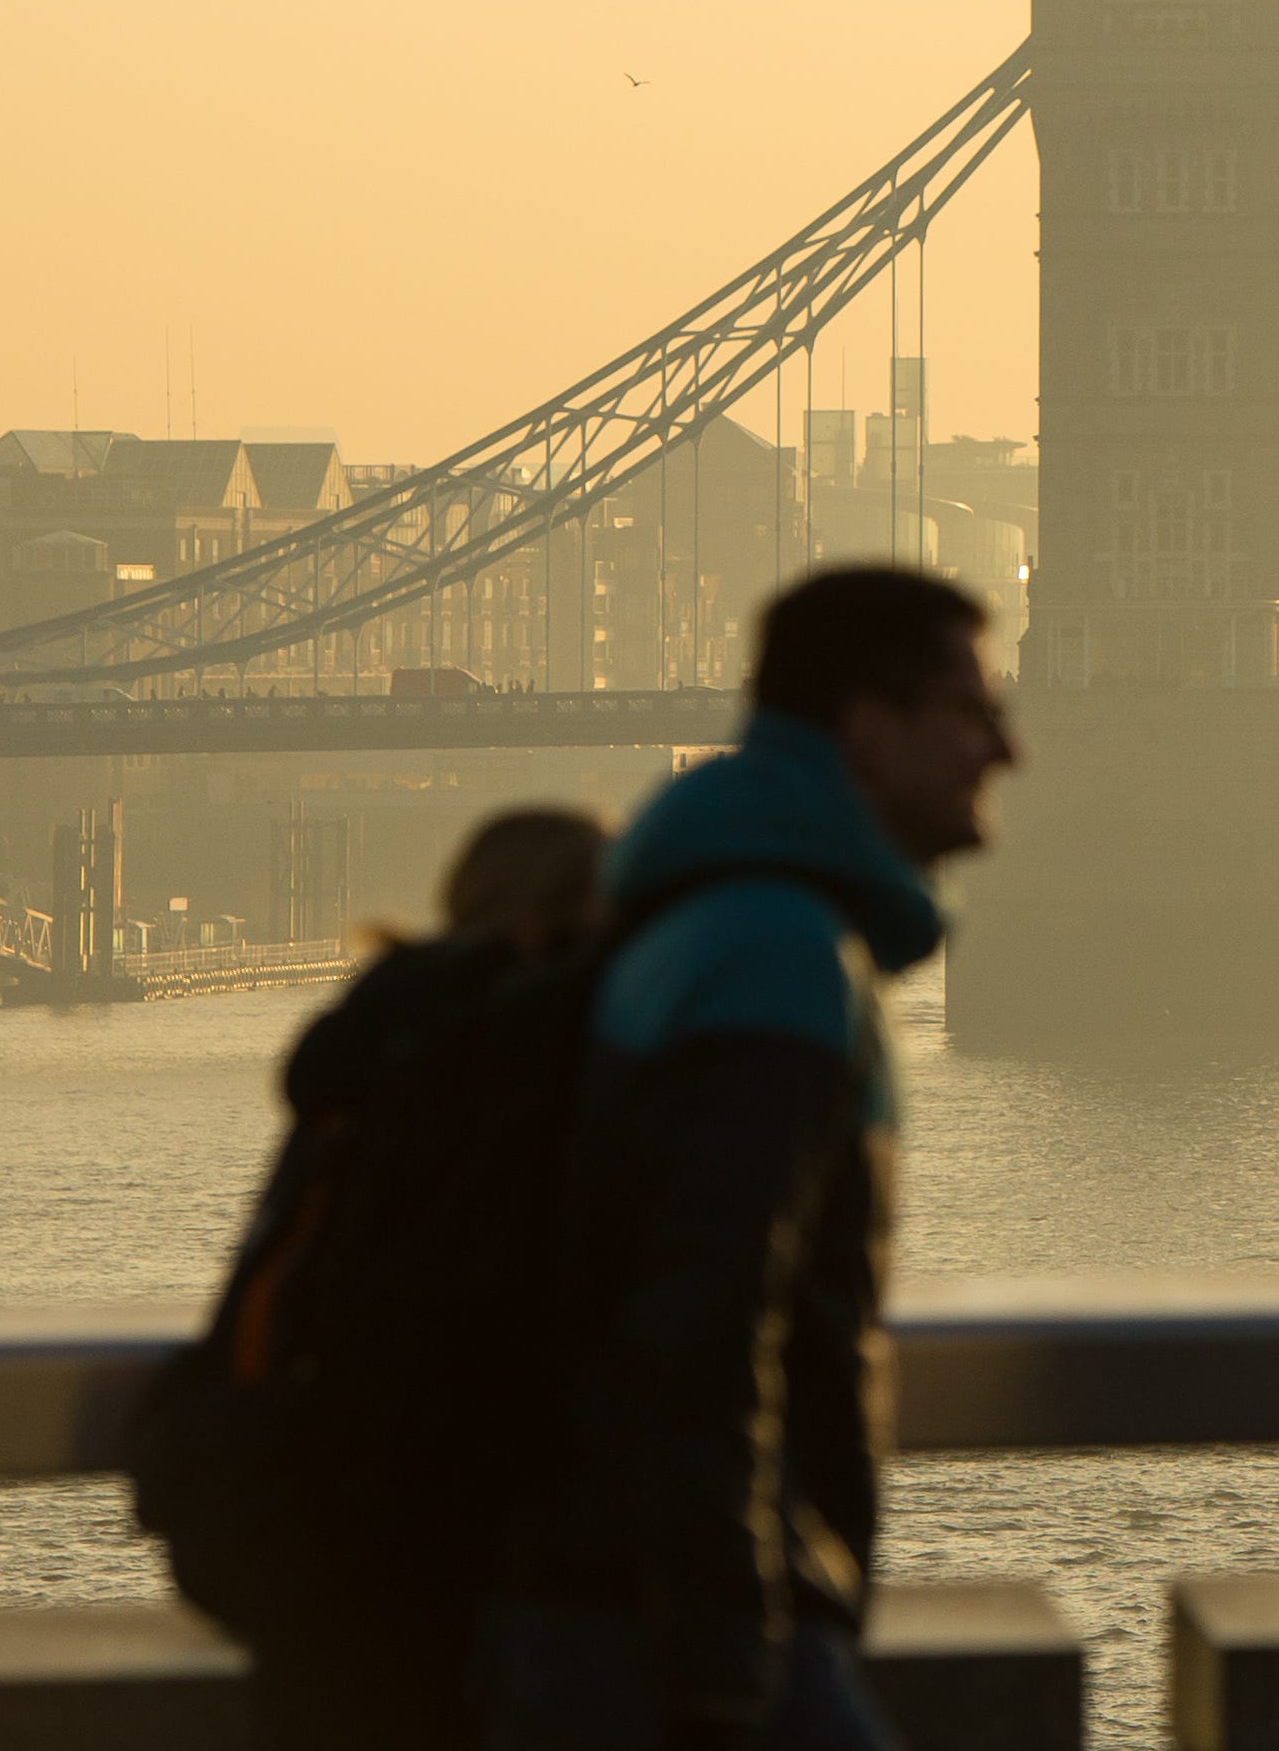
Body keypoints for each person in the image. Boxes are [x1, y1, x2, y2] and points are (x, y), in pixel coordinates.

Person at [488, 567, 1015, 1751]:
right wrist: (728, 1668)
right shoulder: (775, 958)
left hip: (628, 1598)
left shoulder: (720, 918)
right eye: (972, 712)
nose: (1007, 750)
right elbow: (703, 1326)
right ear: (872, 734)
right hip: (678, 1623)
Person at [153, 806, 612, 1751]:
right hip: (463, 1537)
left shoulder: (369, 1038)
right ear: (577, 911)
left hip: (306, 1508)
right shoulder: (536, 1052)